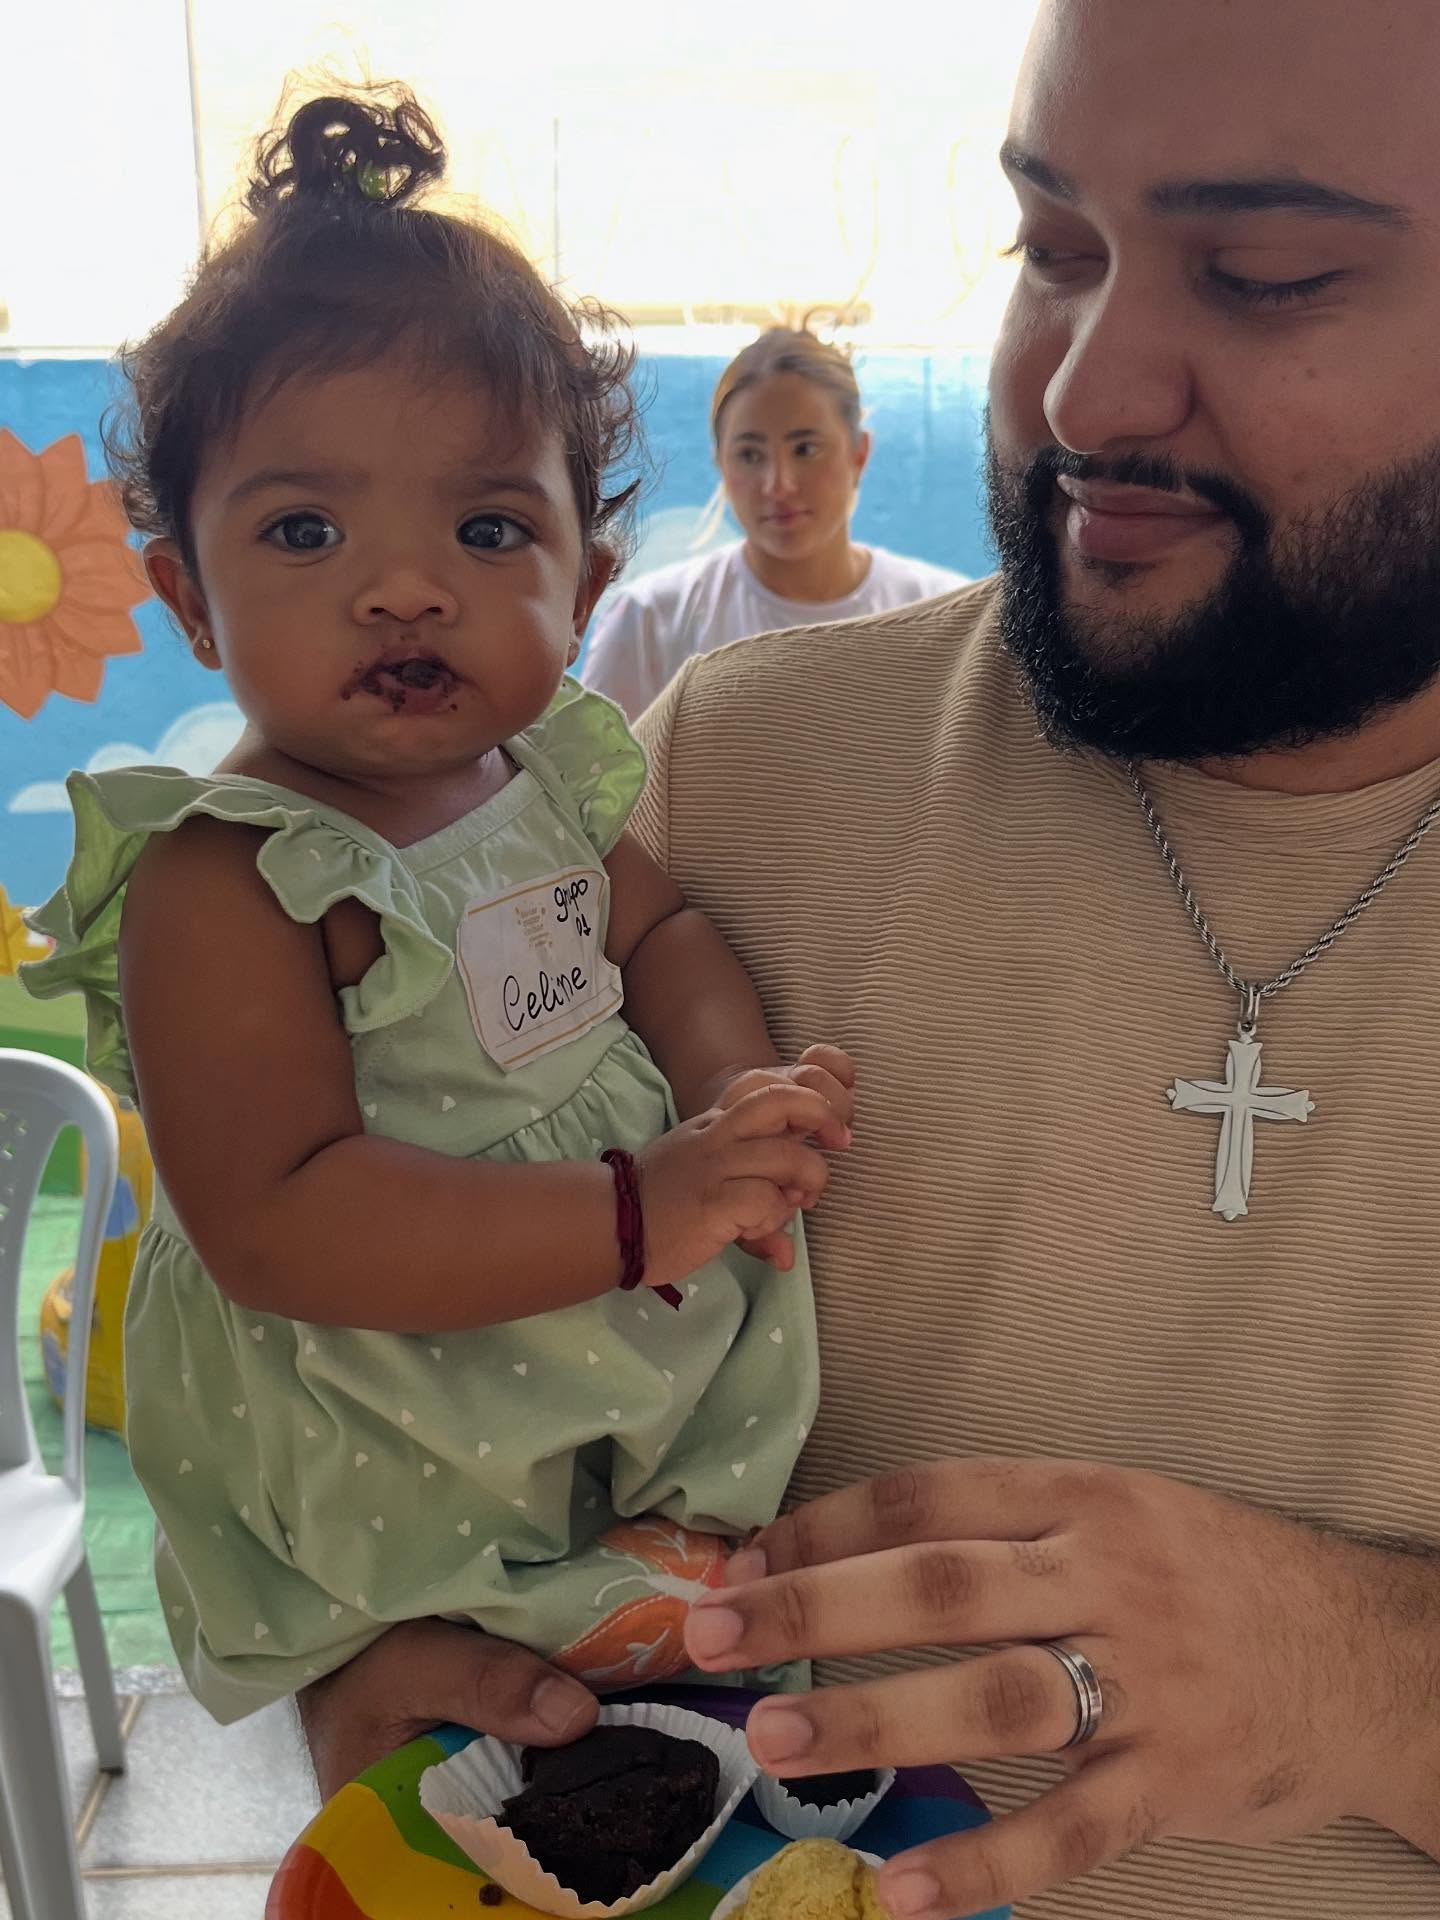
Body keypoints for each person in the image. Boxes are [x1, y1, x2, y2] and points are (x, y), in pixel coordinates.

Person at [296, 5, 1440, 1917]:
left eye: (1264, 278)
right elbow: (412, 1379)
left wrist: (1364, 1674)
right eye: (1052, 249)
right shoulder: (723, 775)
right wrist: (392, 1662)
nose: (1086, 395)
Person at [22, 88, 857, 1724]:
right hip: (389, 1418)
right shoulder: (231, 872)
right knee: (473, 1743)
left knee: (669, 1733)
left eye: (486, 527)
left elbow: (663, 937)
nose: (404, 586)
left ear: (583, 588)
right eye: (306, 528)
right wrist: (638, 1209)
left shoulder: (539, 775)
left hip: (605, 1327)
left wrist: (732, 1099)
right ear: (188, 594)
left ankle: (637, 1615)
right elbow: (280, 1221)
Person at [579, 328, 965, 718]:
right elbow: (589, 777)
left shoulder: (941, 615)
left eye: (805, 449)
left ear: (859, 455)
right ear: (721, 463)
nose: (778, 485)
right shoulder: (649, 622)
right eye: (749, 454)